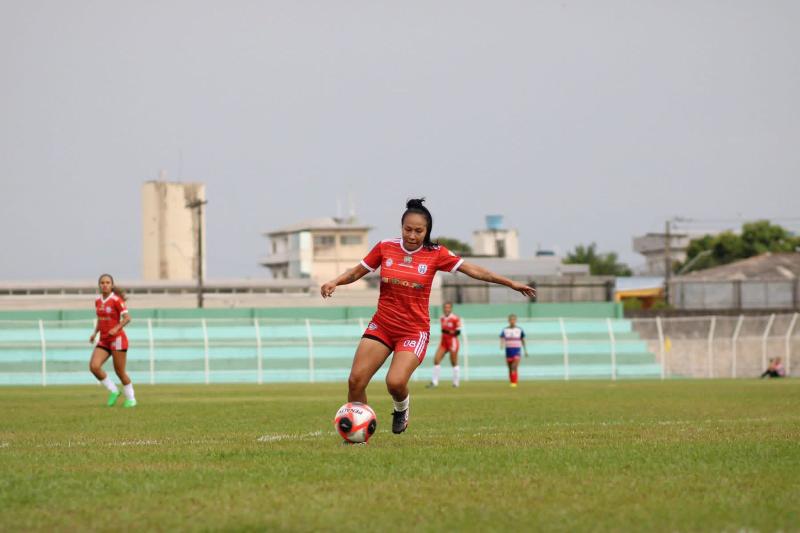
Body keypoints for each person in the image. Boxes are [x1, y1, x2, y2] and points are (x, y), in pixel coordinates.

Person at [321, 198, 535, 435]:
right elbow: (357, 271)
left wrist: (510, 283)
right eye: (407, 229)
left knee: (395, 383)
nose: (412, 235)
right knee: (356, 381)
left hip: (413, 330)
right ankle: (357, 433)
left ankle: (401, 408)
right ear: (401, 227)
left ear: (427, 231)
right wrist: (335, 281)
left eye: (418, 231)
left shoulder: (436, 253)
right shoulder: (385, 247)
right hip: (382, 325)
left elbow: (475, 270)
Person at [89, 274, 136, 407]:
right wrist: (94, 333)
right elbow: (100, 319)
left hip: (118, 339)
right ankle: (114, 391)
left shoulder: (117, 300)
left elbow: (127, 318)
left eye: (108, 282)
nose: (105, 285)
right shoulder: (97, 301)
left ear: (112, 285)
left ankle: (131, 399)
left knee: (120, 372)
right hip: (104, 340)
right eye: (102, 282)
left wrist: (116, 328)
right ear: (99, 285)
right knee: (94, 367)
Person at [427, 302, 462, 388]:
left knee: (453, 362)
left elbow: (458, 331)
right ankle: (434, 382)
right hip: (443, 342)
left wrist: (449, 332)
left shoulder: (455, 318)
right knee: (436, 360)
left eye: (448, 307)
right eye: (445, 307)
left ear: (451, 308)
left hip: (452, 342)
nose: (446, 309)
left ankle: (456, 383)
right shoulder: (442, 318)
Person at [500, 314, 528, 387]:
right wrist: (502, 344)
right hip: (508, 351)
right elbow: (502, 338)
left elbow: (523, 339)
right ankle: (512, 382)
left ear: (515, 321)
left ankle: (514, 383)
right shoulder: (505, 330)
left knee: (514, 366)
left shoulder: (519, 330)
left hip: (516, 350)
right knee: (510, 368)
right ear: (508, 321)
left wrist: (525, 350)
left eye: (513, 320)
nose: (512, 321)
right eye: (510, 320)